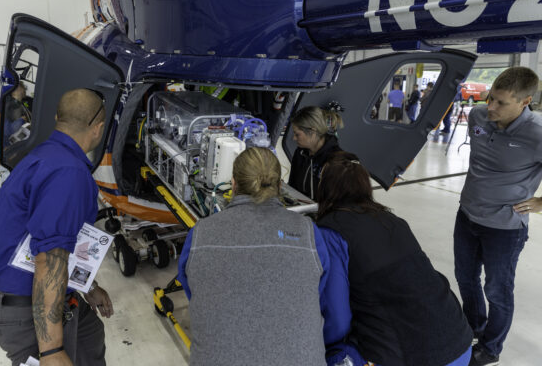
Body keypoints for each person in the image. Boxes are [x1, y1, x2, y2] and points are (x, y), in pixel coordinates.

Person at [177, 147, 362, 366]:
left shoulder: (199, 234)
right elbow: (316, 293)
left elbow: (193, 290)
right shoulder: (308, 232)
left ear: (234, 185)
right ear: (280, 186)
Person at [0, 89, 113, 366]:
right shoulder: (68, 172)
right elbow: (50, 259)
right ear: (98, 129)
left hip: (36, 299)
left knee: (90, 338)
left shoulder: (47, 155)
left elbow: (62, 241)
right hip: (26, 312)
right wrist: (51, 350)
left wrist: (88, 286)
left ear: (57, 118)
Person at [316, 151, 473, 366]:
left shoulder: (331, 233)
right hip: (460, 344)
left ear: (325, 189)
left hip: (413, 357)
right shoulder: (394, 220)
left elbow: (338, 318)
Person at [454, 66, 542, 366]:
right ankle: (474, 328)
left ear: (525, 101)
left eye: (501, 102)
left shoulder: (537, 134)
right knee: (465, 279)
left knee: (497, 290)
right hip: (467, 217)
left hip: (504, 229)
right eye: (490, 98)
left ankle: (491, 348)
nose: (490, 106)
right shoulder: (479, 116)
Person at [288, 106, 344, 199]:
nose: (294, 138)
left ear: (312, 131)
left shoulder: (336, 162)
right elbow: (292, 185)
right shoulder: (300, 153)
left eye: (297, 134)